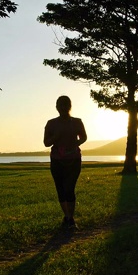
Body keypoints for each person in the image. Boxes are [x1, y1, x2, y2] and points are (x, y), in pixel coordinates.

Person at [43, 96, 87, 228]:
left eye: (65, 105)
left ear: (70, 106)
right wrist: (57, 136)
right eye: (60, 105)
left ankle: (70, 218)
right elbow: (46, 142)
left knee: (69, 188)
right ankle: (68, 217)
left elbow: (84, 137)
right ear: (56, 107)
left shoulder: (77, 122)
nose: (62, 107)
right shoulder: (51, 123)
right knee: (60, 189)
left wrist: (75, 144)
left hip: (73, 159)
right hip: (57, 160)